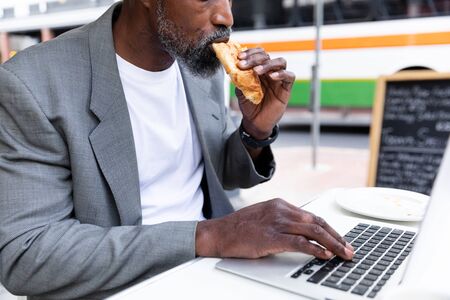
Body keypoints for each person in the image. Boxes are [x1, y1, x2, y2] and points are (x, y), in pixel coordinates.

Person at [0, 0, 353, 299]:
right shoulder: (33, 84)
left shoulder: (200, 62)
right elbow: (27, 254)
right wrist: (210, 235)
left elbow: (222, 172)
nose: (226, 16)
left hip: (219, 272)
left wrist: (255, 129)